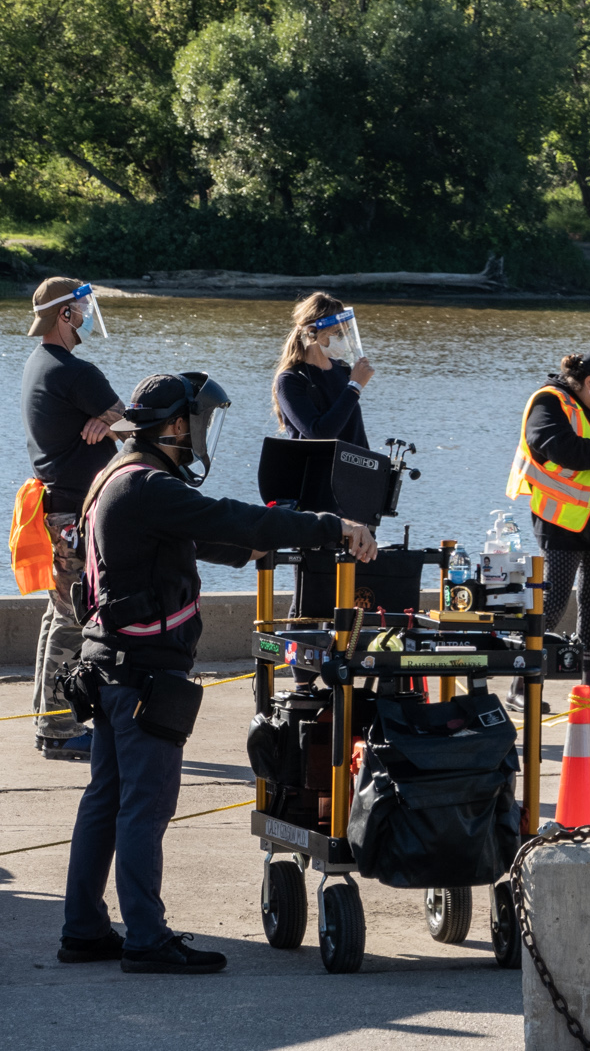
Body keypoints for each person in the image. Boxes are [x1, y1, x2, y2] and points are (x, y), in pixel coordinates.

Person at [61, 372, 375, 974]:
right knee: (144, 807)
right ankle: (146, 940)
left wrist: (250, 544)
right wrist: (331, 526)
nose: (200, 434)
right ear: (176, 425)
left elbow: (196, 535)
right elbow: (227, 517)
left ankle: (83, 930)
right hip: (144, 676)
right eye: (198, 422)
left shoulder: (117, 478)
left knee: (106, 798)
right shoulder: (152, 485)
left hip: (108, 667)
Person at [21, 278, 126, 761]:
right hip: (72, 513)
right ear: (64, 315)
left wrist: (103, 422)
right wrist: (112, 421)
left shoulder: (37, 365)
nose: (85, 314)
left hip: (52, 506)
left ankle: (48, 719)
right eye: (80, 307)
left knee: (56, 613)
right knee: (70, 617)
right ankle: (61, 727)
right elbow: (136, 425)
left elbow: (113, 422)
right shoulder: (74, 371)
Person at [510, 348, 590, 711]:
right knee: (552, 602)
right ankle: (521, 684)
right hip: (560, 522)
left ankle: (589, 685)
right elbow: (560, 449)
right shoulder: (549, 401)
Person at [272, 293, 374, 447]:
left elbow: (354, 433)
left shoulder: (343, 369)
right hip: (315, 468)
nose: (343, 338)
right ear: (312, 332)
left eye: (346, 332)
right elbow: (319, 434)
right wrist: (354, 387)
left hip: (350, 468)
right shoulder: (291, 380)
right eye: (338, 333)